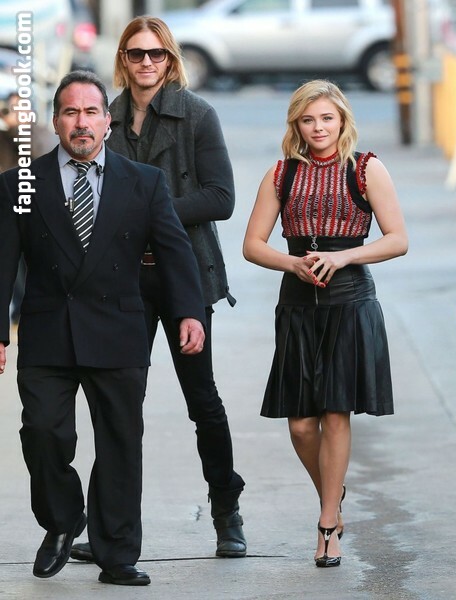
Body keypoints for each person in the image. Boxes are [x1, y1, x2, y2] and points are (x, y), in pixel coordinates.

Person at [0, 70, 207, 586]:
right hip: (48, 330)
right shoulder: (20, 183)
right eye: (70, 112)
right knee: (43, 433)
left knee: (120, 442)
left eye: (91, 112)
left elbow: (175, 251)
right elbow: (2, 262)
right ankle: (63, 519)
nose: (81, 122)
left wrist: (189, 311)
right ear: (55, 122)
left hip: (118, 327)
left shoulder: (144, 182)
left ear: (107, 122)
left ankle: (117, 555)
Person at [70, 15, 246, 563]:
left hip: (185, 275)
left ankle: (227, 512)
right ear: (122, 59)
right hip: (122, 281)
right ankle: (111, 530)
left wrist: (151, 210)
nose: (146, 62)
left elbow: (221, 198)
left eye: (157, 54)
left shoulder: (197, 115)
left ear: (170, 59)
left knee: (202, 400)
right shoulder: (107, 116)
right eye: (136, 53)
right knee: (119, 404)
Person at [243, 80, 408, 567]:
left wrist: (344, 256)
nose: (318, 128)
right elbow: (252, 245)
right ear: (296, 124)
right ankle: (332, 495)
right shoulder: (281, 174)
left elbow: (398, 239)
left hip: (350, 302)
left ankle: (327, 523)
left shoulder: (366, 168)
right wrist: (291, 263)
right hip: (297, 305)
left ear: (342, 121)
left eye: (327, 118)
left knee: (336, 413)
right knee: (300, 425)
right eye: (308, 119)